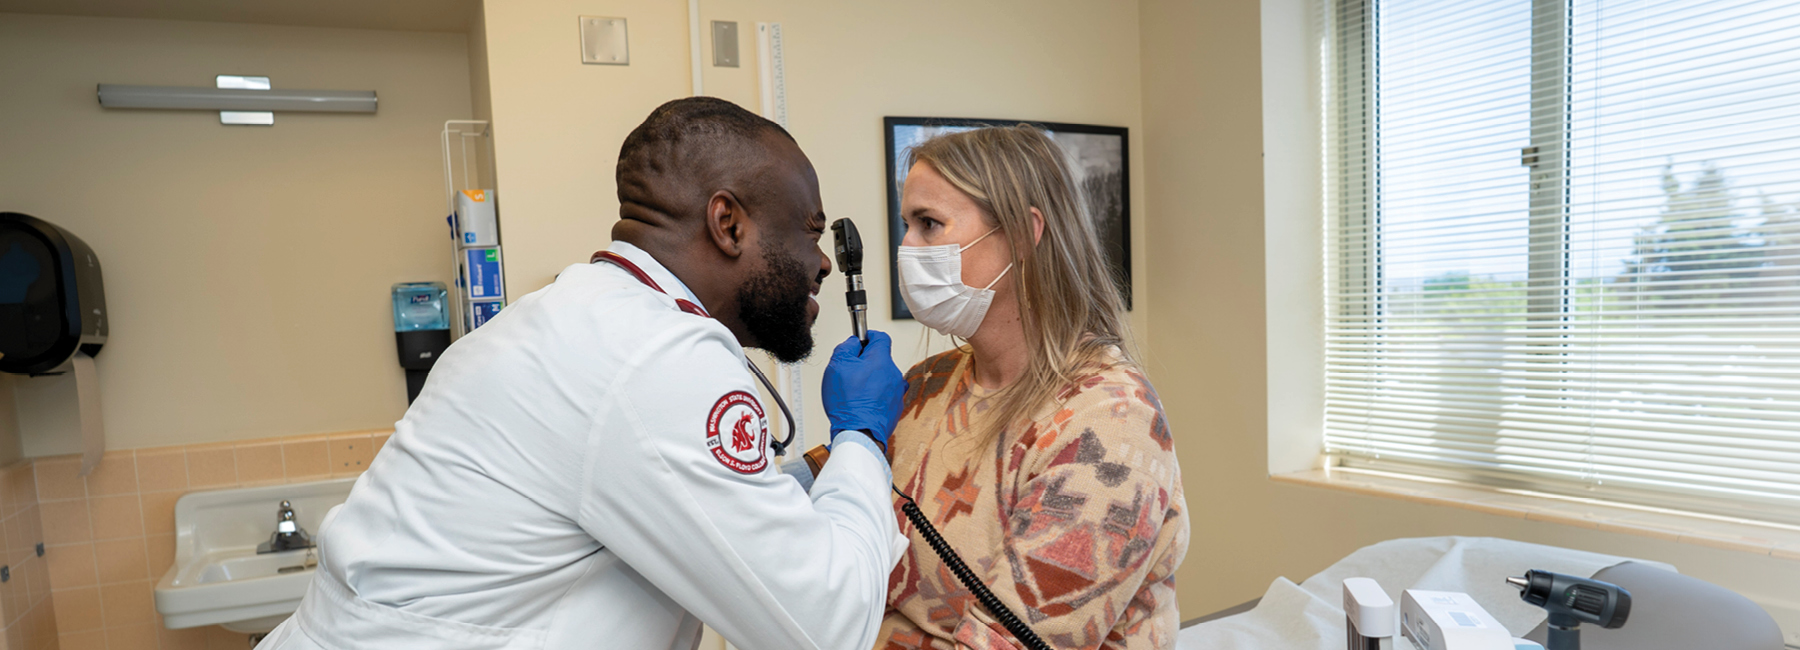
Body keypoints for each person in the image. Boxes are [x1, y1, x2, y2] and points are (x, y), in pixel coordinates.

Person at [258, 97, 909, 650]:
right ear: (728, 223)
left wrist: (802, 481)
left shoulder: (561, 319)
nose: (822, 263)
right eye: (809, 232)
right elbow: (824, 625)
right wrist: (861, 436)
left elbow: (650, 496)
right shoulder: (656, 361)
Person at [875, 126, 1189, 649]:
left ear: (1022, 234)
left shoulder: (1108, 423)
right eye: (906, 224)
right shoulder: (925, 385)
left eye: (929, 224)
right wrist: (849, 440)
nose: (907, 247)